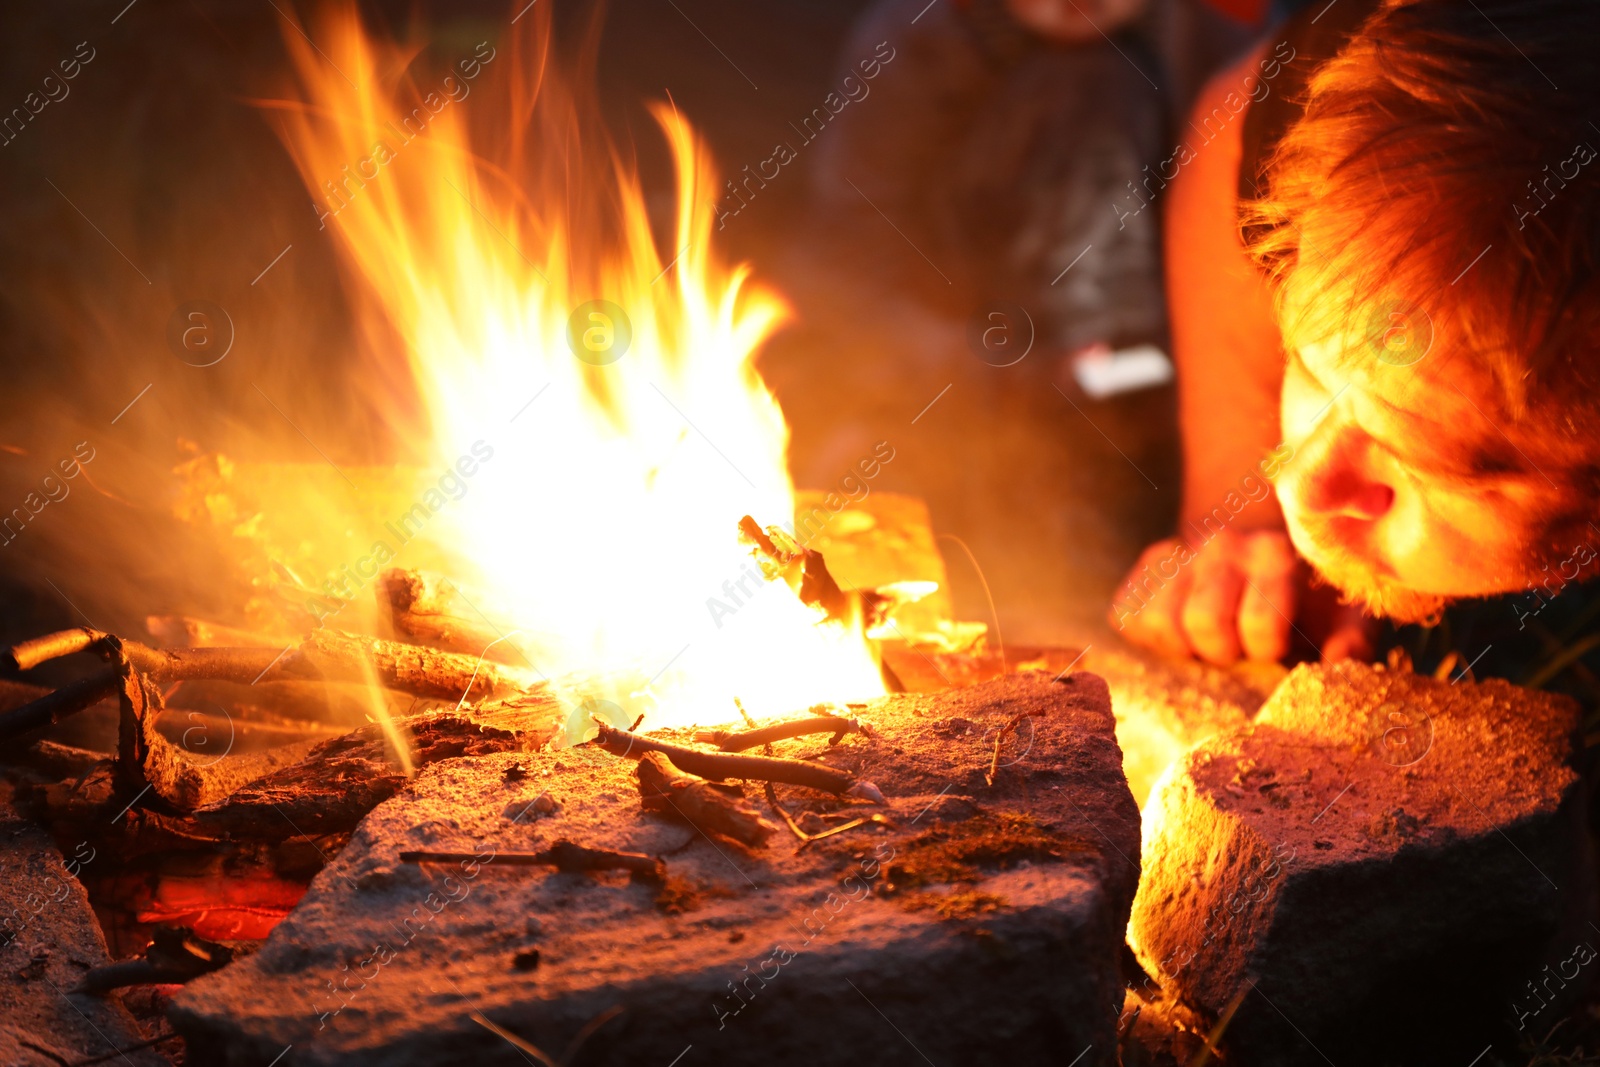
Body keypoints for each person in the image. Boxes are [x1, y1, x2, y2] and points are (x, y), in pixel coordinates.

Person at [1113, 0, 1600, 666]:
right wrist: (1233, 511)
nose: (1300, 491)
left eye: (1426, 462)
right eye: (1309, 365)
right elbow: (1243, 116)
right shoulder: (1340, 71)